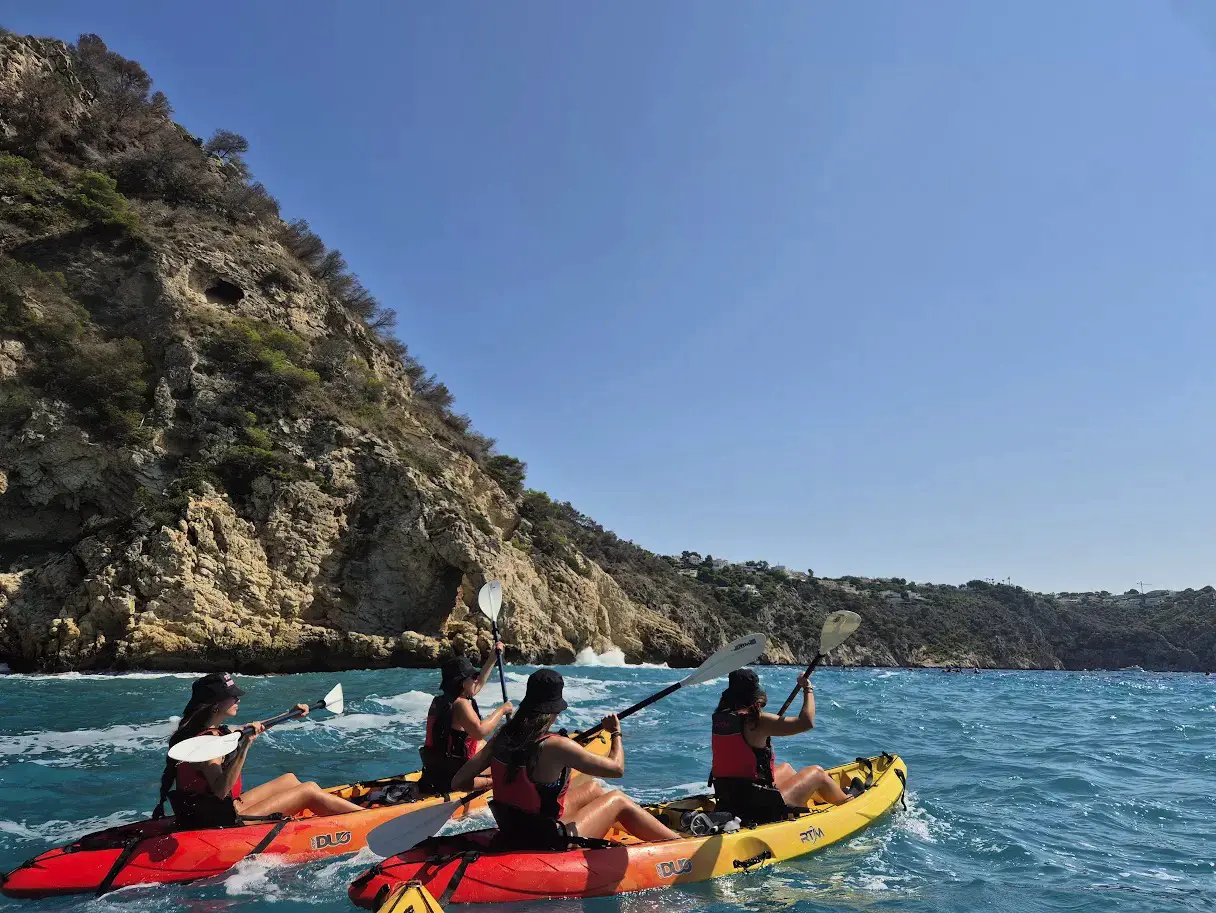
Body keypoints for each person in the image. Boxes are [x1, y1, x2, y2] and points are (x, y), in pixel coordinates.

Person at [453, 669, 679, 848]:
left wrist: (496, 781)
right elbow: (616, 769)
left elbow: (458, 782)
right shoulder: (555, 745)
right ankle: (679, 844)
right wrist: (615, 733)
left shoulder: (501, 737)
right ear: (554, 710)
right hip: (548, 839)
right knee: (618, 799)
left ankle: (634, 829)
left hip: (513, 829)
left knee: (593, 789)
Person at [154, 672, 362, 827]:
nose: (238, 700)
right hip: (222, 822)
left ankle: (341, 812)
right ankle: (368, 818)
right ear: (216, 704)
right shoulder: (209, 746)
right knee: (308, 790)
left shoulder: (210, 732)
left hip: (219, 811)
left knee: (289, 780)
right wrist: (245, 747)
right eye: (232, 696)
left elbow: (251, 728)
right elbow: (220, 791)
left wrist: (289, 714)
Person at [709, 668, 853, 825]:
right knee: (817, 772)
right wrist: (808, 688)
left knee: (786, 769)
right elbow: (806, 723)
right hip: (758, 810)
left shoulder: (720, 720)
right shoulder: (757, 721)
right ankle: (847, 802)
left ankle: (819, 796)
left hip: (729, 800)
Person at [419, 645, 513, 792]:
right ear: (462, 683)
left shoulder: (441, 700)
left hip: (437, 767)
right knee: (503, 764)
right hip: (456, 773)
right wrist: (502, 710)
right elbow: (480, 732)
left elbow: (477, 685)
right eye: (473, 677)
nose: (476, 680)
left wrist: (492, 658)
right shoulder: (461, 705)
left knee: (486, 748)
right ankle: (491, 783)